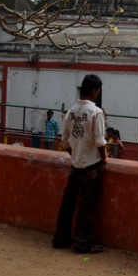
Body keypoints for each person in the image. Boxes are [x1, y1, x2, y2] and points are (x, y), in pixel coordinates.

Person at [53, 74, 107, 255]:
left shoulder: (71, 111)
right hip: (91, 165)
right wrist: (104, 159)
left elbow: (65, 141)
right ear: (94, 91)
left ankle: (60, 239)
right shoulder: (96, 112)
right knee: (86, 206)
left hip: (75, 164)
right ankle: (82, 243)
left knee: (67, 203)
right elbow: (100, 142)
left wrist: (75, 154)